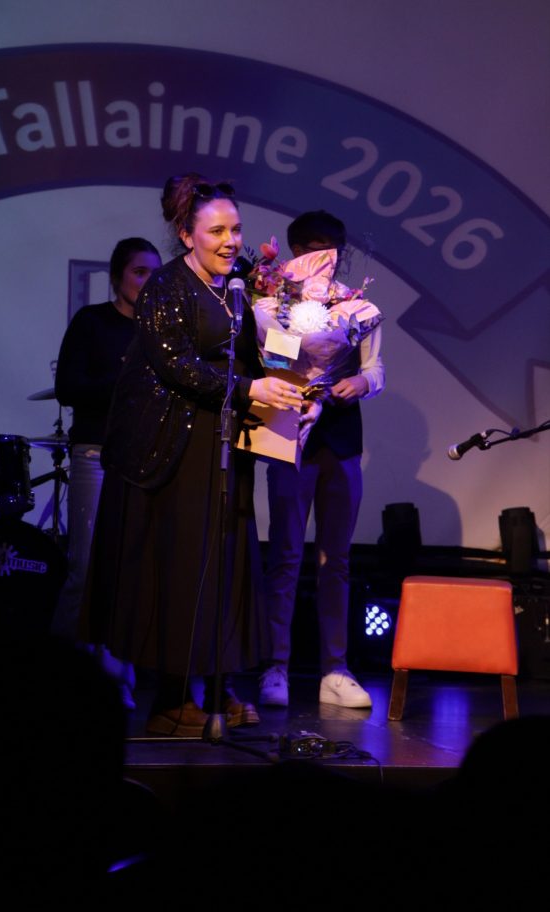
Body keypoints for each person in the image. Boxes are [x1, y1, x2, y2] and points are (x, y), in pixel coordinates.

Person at [89, 173, 301, 737]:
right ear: (187, 235)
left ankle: (220, 681)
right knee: (180, 567)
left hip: (224, 444)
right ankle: (172, 696)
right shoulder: (166, 286)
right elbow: (175, 364)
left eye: (236, 229)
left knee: (226, 563)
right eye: (217, 231)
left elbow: (262, 354)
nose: (231, 241)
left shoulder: (240, 286)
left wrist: (297, 387)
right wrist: (249, 388)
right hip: (171, 449)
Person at [258, 210, 385, 709]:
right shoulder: (275, 305)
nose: (324, 259)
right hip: (290, 436)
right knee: (286, 555)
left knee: (337, 559)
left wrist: (360, 382)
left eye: (333, 250)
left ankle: (335, 668)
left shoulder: (356, 307)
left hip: (342, 440)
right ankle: (276, 665)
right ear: (294, 252)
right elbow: (275, 365)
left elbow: (376, 368)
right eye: (313, 249)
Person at [51, 237, 162, 706]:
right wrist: (127, 379)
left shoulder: (163, 331)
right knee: (85, 566)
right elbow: (68, 387)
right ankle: (64, 666)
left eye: (155, 274)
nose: (148, 282)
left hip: (146, 461)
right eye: (139, 272)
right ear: (117, 277)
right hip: (96, 454)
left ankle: (117, 666)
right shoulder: (93, 322)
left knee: (133, 568)